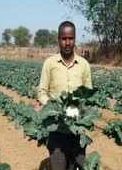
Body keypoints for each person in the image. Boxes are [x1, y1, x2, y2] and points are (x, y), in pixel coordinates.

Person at [38, 21, 92, 170]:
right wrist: (55, 108)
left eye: (71, 38)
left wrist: (80, 110)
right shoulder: (49, 63)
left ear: (75, 39)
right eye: (64, 38)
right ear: (58, 39)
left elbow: (88, 95)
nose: (67, 42)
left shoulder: (83, 64)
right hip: (57, 132)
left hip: (78, 133)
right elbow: (42, 92)